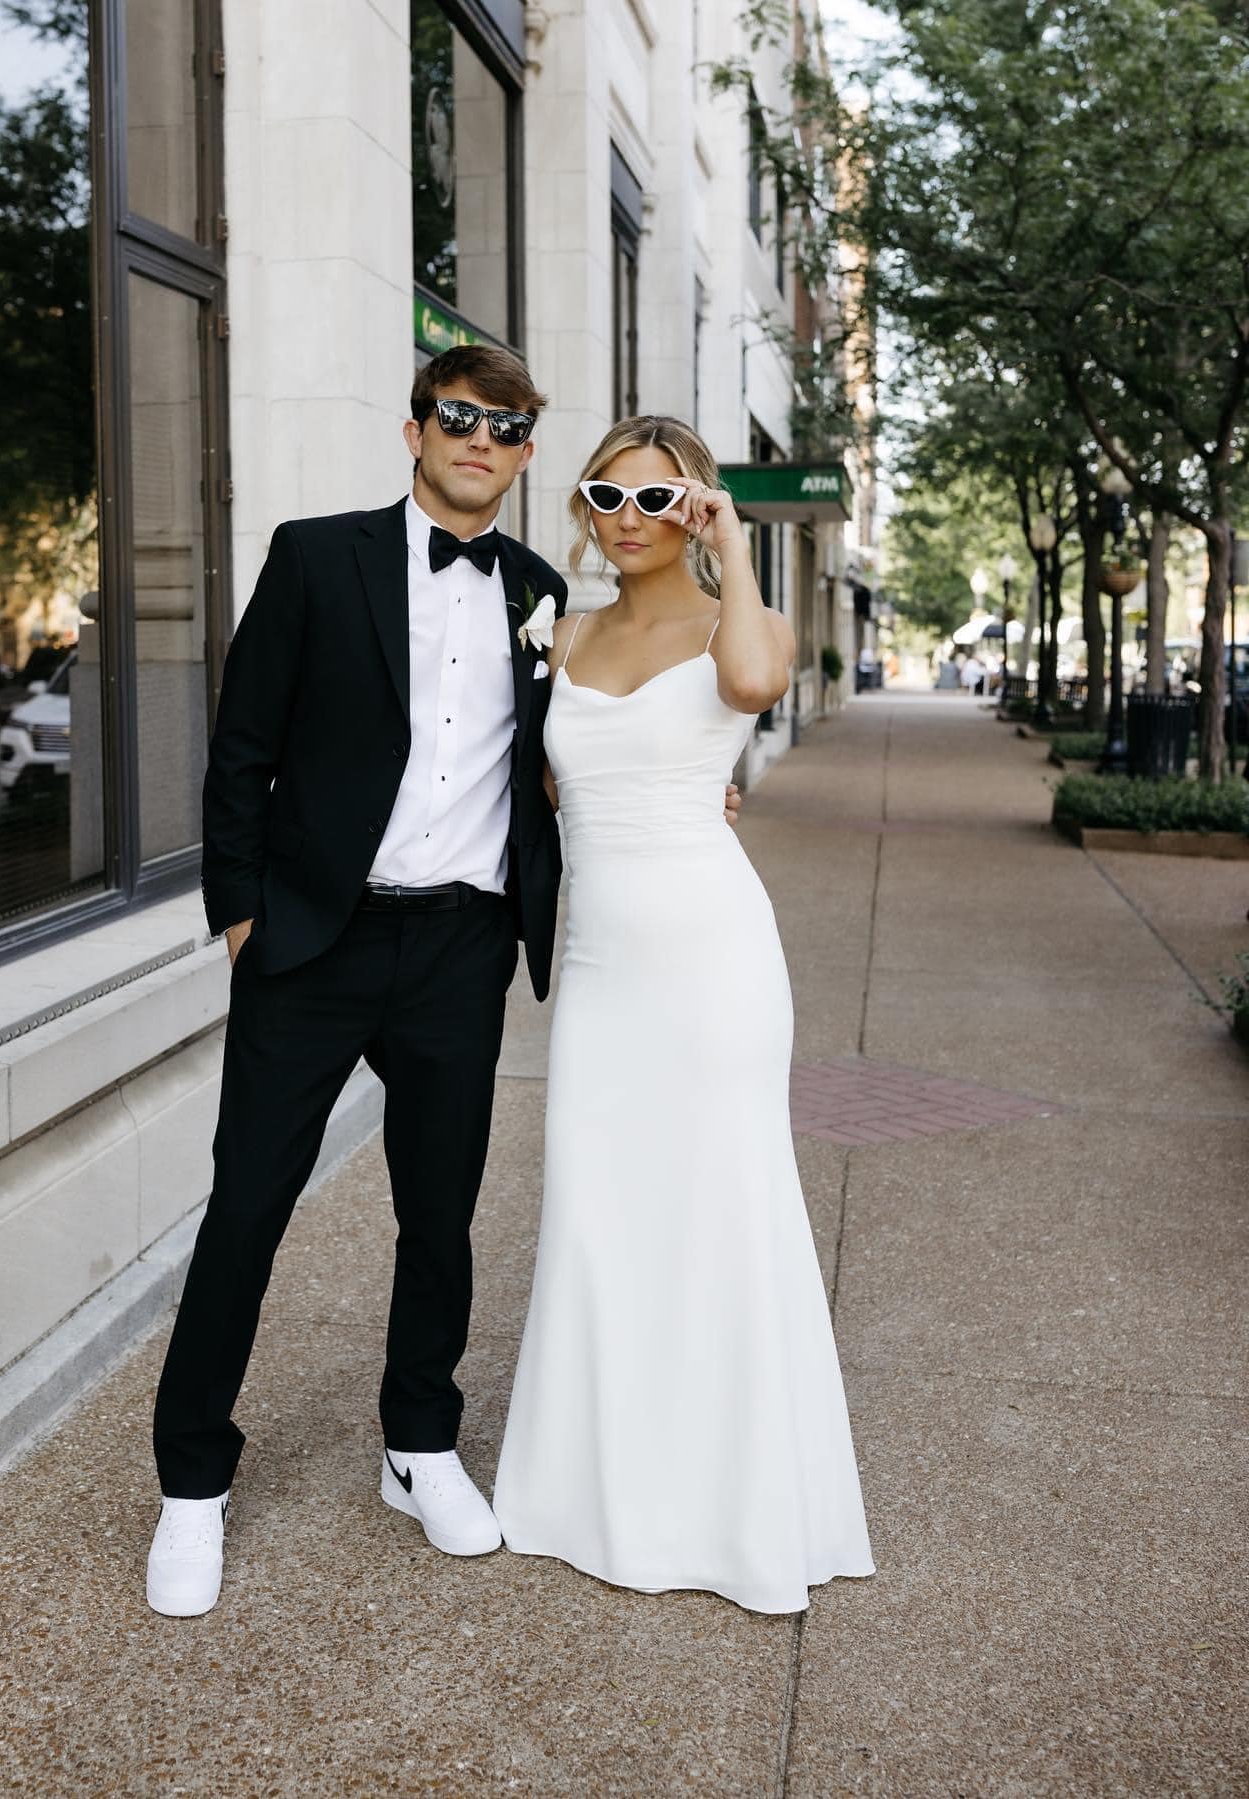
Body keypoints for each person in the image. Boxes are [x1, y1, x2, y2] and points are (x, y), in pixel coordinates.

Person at [145, 347, 746, 1617]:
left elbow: (589, 741)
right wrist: (245, 920)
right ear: (414, 429)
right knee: (246, 1209)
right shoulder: (316, 556)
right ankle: (191, 1485)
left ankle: (418, 1446)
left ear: (530, 456)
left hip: (461, 950)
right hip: (312, 942)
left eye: (509, 426)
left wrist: (701, 771)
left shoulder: (545, 598)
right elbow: (241, 747)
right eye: (460, 417)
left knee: (442, 1215)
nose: (481, 439)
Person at [493, 417, 875, 1614]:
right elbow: (545, 783)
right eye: (607, 492)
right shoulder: (561, 629)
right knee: (598, 1209)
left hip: (714, 959)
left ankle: (730, 1510)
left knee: (721, 1206)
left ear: (697, 508)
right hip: (601, 965)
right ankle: (592, 1492)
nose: (628, 515)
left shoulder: (735, 627)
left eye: (660, 497)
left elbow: (757, 687)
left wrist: (737, 546)